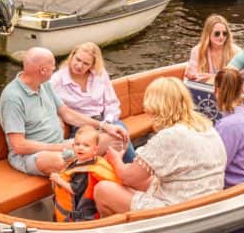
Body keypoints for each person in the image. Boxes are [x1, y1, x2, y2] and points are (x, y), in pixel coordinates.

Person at [94, 77, 226, 216]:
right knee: (143, 182)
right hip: (207, 200)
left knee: (102, 190)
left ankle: (118, 231)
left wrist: (115, 159)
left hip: (179, 209)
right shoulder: (206, 126)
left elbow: (128, 177)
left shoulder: (169, 136)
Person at [0, 47, 129, 176]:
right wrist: (60, 148)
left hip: (62, 146)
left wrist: (103, 125)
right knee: (58, 161)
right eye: (52, 66)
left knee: (116, 138)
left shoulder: (45, 85)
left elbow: (66, 113)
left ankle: (88, 169)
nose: (54, 68)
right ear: (43, 70)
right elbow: (19, 146)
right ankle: (92, 172)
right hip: (33, 155)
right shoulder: (13, 98)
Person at [51, 42, 136, 162]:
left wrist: (107, 122)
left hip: (104, 119)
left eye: (86, 63)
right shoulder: (57, 80)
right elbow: (46, 103)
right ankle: (135, 169)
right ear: (72, 56)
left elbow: (111, 103)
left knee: (119, 130)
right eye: (78, 60)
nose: (79, 66)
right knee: (119, 135)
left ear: (92, 65)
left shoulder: (100, 74)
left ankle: (131, 170)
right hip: (80, 126)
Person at [50, 125, 119, 222]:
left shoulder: (84, 172)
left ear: (95, 149)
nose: (80, 148)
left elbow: (74, 190)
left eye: (86, 145)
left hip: (79, 219)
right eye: (77, 144)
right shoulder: (82, 161)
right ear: (73, 146)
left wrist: (58, 179)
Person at [213, 67, 244, 187]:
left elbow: (219, 163)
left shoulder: (227, 125)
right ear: (241, 89)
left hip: (237, 184)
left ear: (217, 90)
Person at [184, 14, 241, 84]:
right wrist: (193, 75)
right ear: (208, 34)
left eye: (224, 33)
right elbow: (192, 74)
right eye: (217, 34)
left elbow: (237, 78)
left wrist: (213, 78)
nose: (221, 37)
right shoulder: (197, 51)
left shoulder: (236, 51)